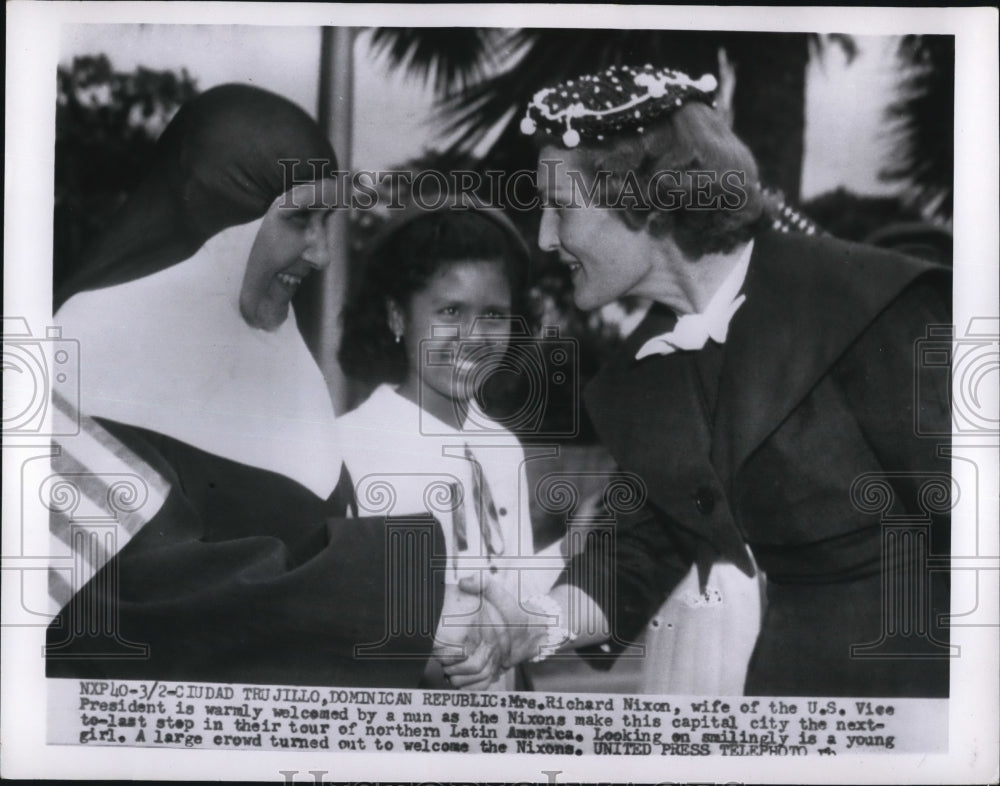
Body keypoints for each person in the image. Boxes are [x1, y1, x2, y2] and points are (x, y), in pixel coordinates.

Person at [452, 64, 951, 697]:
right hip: (787, 697)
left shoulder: (866, 305)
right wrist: (537, 626)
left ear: (645, 200)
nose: (547, 238)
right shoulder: (647, 374)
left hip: (930, 693)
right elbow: (638, 552)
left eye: (561, 209)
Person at [45, 84, 445, 687]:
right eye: (298, 219)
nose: (320, 253)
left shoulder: (286, 366)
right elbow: (159, 610)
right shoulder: (72, 369)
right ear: (219, 220)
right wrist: (407, 587)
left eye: (326, 222)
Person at [338, 207, 563, 690]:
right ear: (398, 315)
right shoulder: (349, 448)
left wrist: (574, 546)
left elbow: (515, 591)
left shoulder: (503, 448)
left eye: (494, 317)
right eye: (450, 312)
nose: (472, 339)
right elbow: (356, 620)